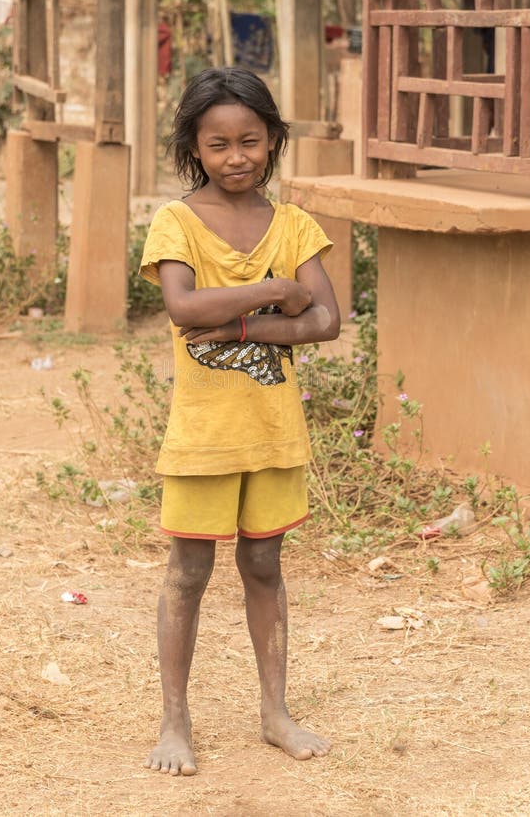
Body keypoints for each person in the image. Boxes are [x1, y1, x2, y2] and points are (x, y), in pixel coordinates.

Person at [139, 66, 341, 776]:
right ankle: (174, 720)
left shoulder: (293, 224)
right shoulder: (175, 222)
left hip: (272, 432)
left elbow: (327, 321)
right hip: (202, 438)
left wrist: (246, 331)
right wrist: (276, 291)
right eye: (218, 143)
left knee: (263, 564)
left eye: (250, 141)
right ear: (194, 146)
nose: (236, 157)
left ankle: (274, 712)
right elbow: (185, 309)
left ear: (274, 140)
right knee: (187, 572)